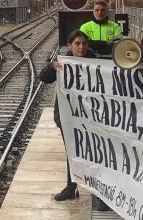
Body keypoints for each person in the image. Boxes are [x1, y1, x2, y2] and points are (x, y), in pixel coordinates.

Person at [39, 30, 90, 202]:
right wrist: (52, 67)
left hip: (92, 119)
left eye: (84, 43)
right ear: (70, 45)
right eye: (77, 43)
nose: (81, 47)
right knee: (72, 152)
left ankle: (97, 191)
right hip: (68, 118)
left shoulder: (95, 62)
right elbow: (43, 77)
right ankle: (71, 186)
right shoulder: (62, 63)